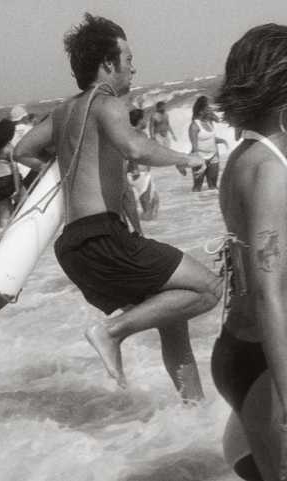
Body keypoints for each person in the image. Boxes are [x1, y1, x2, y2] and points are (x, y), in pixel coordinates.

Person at [14, 13, 220, 401]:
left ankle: (192, 409)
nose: (133, 66)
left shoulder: (64, 112)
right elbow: (134, 147)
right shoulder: (109, 103)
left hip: (75, 247)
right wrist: (185, 158)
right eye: (128, 58)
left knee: (172, 320)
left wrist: (63, 178)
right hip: (102, 238)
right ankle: (110, 332)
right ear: (108, 64)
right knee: (209, 288)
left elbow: (21, 151)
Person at [212, 23, 287, 481]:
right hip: (265, 360)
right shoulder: (269, 171)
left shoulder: (244, 158)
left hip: (243, 353)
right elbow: (269, 293)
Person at [189, 95, 229, 191]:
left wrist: (222, 141)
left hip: (213, 156)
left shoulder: (209, 121)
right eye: (207, 107)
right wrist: (201, 163)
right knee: (197, 187)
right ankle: (196, 204)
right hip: (200, 157)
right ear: (201, 111)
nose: (210, 109)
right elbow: (194, 147)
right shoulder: (194, 126)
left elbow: (210, 138)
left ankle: (212, 205)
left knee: (214, 187)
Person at [127, 108, 160, 221]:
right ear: (140, 120)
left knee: (152, 202)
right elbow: (132, 152)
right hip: (139, 173)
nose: (146, 121)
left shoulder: (135, 133)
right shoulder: (137, 134)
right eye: (144, 118)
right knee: (150, 206)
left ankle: (146, 228)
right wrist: (135, 166)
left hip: (137, 173)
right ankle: (150, 231)